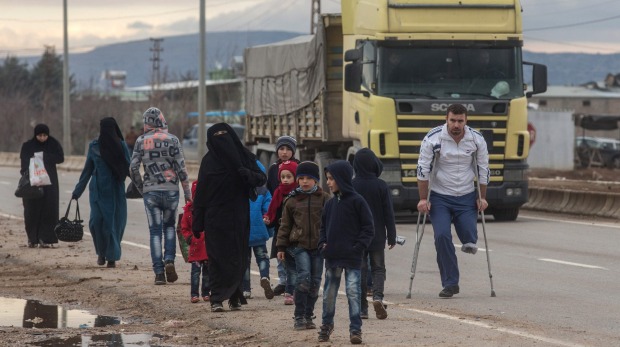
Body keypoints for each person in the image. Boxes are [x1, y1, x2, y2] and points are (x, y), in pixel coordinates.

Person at [416, 103, 489, 298]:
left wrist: (482, 197)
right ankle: (450, 283)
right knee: (441, 237)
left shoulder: (476, 139)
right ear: (446, 119)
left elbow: (483, 170)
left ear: (466, 121)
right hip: (440, 196)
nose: (456, 125)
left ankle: (469, 239)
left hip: (465, 195)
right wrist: (423, 199)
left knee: (468, 237)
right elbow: (423, 170)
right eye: (452, 120)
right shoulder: (433, 138)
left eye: (460, 121)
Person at [192, 122, 267, 312]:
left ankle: (235, 296)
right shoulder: (208, 161)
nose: (222, 138)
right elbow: (201, 192)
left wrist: (247, 174)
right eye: (217, 135)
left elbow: (261, 178)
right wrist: (197, 221)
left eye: (224, 133)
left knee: (238, 257)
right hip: (215, 217)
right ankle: (216, 298)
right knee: (217, 259)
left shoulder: (244, 156)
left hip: (238, 216)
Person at [129, 107, 192, 285]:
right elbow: (182, 169)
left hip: (151, 192)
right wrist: (188, 195)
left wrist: (141, 188)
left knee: (155, 232)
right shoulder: (173, 140)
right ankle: (170, 260)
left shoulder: (141, 141)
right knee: (170, 228)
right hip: (171, 190)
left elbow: (133, 168)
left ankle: (158, 273)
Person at [318, 160, 374, 344]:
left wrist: (358, 248)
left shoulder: (358, 201)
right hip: (333, 257)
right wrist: (323, 244)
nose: (329, 182)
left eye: (332, 179)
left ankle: (355, 330)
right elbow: (323, 228)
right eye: (327, 179)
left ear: (342, 179)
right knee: (329, 294)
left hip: (352, 257)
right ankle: (326, 325)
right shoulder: (330, 204)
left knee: (353, 292)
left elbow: (368, 228)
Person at [276, 161, 330, 330]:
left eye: (309, 178)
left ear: (316, 180)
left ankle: (308, 315)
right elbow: (285, 225)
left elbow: (331, 223)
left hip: (319, 247)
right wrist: (281, 247)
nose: (305, 181)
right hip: (299, 246)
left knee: (315, 283)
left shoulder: (325, 199)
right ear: (297, 180)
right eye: (301, 178)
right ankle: (299, 316)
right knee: (303, 278)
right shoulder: (291, 201)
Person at [72, 117, 131, 268]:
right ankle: (101, 253)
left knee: (113, 225)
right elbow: (87, 170)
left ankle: (111, 257)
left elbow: (129, 167)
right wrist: (77, 191)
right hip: (97, 191)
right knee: (96, 223)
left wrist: (140, 186)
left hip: (116, 192)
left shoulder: (121, 146)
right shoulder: (94, 146)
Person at [352, 148, 397, 320]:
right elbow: (388, 213)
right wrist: (391, 235)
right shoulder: (381, 185)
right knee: (378, 268)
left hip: (357, 237)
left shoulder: (352, 185)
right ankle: (378, 297)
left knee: (360, 270)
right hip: (377, 234)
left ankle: (363, 308)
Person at [19, 124, 64, 248]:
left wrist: (44, 157)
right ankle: (32, 238)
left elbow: (60, 158)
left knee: (49, 210)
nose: (42, 138)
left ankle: (47, 238)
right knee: (31, 211)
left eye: (45, 135)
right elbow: (23, 163)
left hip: (50, 183)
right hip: (32, 183)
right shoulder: (28, 146)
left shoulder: (53, 144)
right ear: (35, 135)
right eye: (40, 135)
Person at [265, 135, 300, 299]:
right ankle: (283, 280)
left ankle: (298, 281)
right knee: (280, 247)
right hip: (280, 216)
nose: (284, 152)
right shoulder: (273, 169)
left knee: (296, 249)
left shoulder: (299, 166)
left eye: (288, 149)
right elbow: (271, 191)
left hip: (297, 216)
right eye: (281, 149)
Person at [243, 160, 274, 300]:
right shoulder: (264, 191)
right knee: (262, 257)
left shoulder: (240, 190)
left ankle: (246, 289)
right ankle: (265, 276)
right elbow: (268, 209)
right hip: (259, 232)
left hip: (243, 232)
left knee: (245, 261)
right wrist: (266, 219)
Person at [180, 181, 210, 303]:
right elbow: (184, 228)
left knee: (207, 273)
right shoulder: (189, 211)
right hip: (195, 247)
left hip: (207, 247)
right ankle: (194, 293)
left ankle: (206, 292)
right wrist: (189, 238)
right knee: (195, 273)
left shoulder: (209, 209)